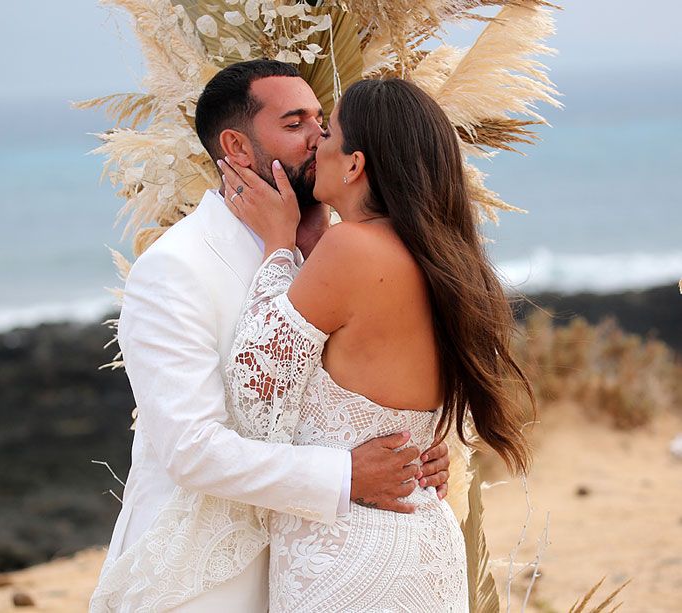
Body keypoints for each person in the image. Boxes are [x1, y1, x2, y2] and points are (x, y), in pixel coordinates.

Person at [90, 61, 451, 612]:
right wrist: (348, 474)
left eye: (320, 122)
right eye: (295, 123)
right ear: (236, 148)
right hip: (206, 583)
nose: (316, 137)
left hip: (327, 564)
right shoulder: (175, 268)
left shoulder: (342, 252)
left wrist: (414, 449)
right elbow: (191, 449)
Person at [218, 77, 534, 611]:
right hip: (426, 540)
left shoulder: (349, 249)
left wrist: (278, 246)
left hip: (351, 551)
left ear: (355, 164)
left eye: (329, 132)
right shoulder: (449, 261)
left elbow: (254, 403)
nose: (315, 141)